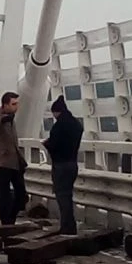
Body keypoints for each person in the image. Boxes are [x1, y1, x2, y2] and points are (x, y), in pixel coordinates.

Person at [42, 95, 83, 235]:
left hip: (60, 165)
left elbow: (54, 145)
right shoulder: (76, 124)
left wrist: (47, 144)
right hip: (72, 163)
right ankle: (70, 225)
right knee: (68, 195)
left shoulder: (58, 126)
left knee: (62, 196)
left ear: (56, 111)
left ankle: (67, 227)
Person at [0, 92, 28, 226]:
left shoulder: (12, 120)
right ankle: (6, 221)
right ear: (5, 105)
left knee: (21, 194)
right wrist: (5, 119)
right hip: (3, 162)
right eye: (13, 104)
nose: (16, 107)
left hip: (15, 162)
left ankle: (10, 217)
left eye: (17, 104)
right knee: (4, 192)